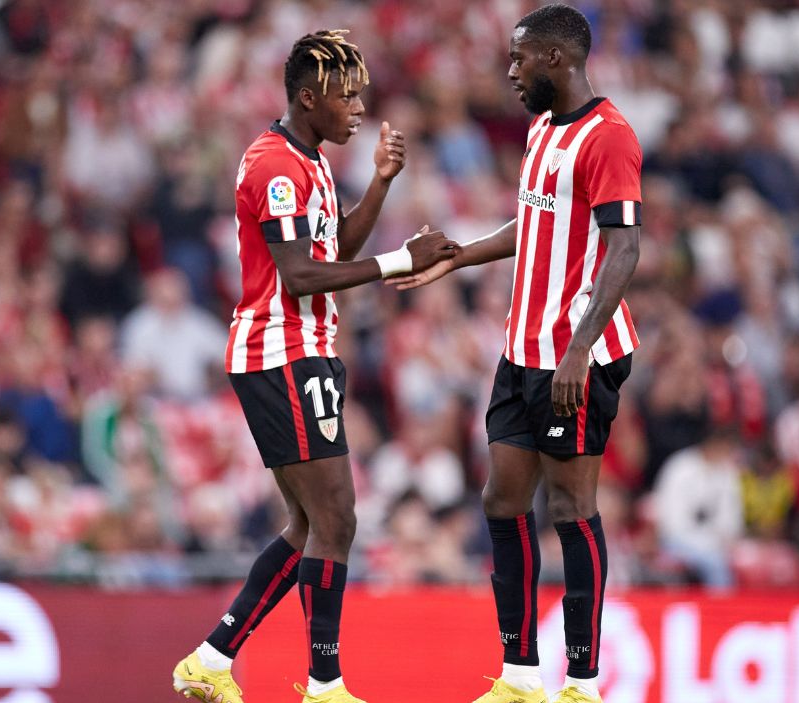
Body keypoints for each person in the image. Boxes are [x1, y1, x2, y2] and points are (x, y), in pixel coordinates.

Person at [170, 29, 458, 703]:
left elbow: (333, 247)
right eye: (345, 95)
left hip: (305, 351)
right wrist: (399, 264)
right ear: (307, 98)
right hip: (279, 350)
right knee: (337, 518)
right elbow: (301, 277)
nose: (358, 108)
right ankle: (324, 684)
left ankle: (213, 656)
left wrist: (382, 185)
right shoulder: (274, 165)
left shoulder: (311, 159)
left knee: (311, 525)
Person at [390, 6, 642, 703]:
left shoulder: (610, 137)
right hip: (521, 348)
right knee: (502, 499)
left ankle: (583, 683)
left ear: (556, 59)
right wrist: (460, 257)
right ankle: (520, 674)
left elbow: (625, 248)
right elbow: (536, 220)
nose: (509, 70)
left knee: (571, 506)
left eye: (519, 58)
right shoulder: (540, 128)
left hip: (574, 355)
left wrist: (580, 350)